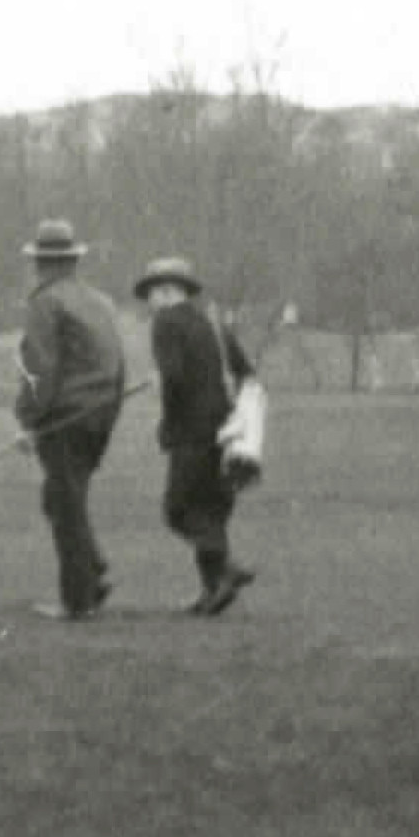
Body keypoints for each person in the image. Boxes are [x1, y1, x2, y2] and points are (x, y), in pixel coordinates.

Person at [133, 257, 257, 617]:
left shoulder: (166, 322)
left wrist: (167, 423)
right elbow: (245, 371)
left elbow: (173, 379)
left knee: (178, 510)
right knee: (211, 510)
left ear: (167, 291)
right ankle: (212, 591)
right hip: (228, 430)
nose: (150, 302)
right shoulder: (213, 322)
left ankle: (226, 567)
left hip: (191, 431)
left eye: (152, 293)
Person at [15, 220, 126, 622]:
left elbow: (40, 368)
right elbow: (118, 364)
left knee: (65, 503)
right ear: (73, 261)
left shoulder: (45, 303)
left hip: (65, 416)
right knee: (61, 497)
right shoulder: (101, 302)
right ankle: (91, 570)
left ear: (40, 264)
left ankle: (79, 599)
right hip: (101, 414)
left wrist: (28, 418)